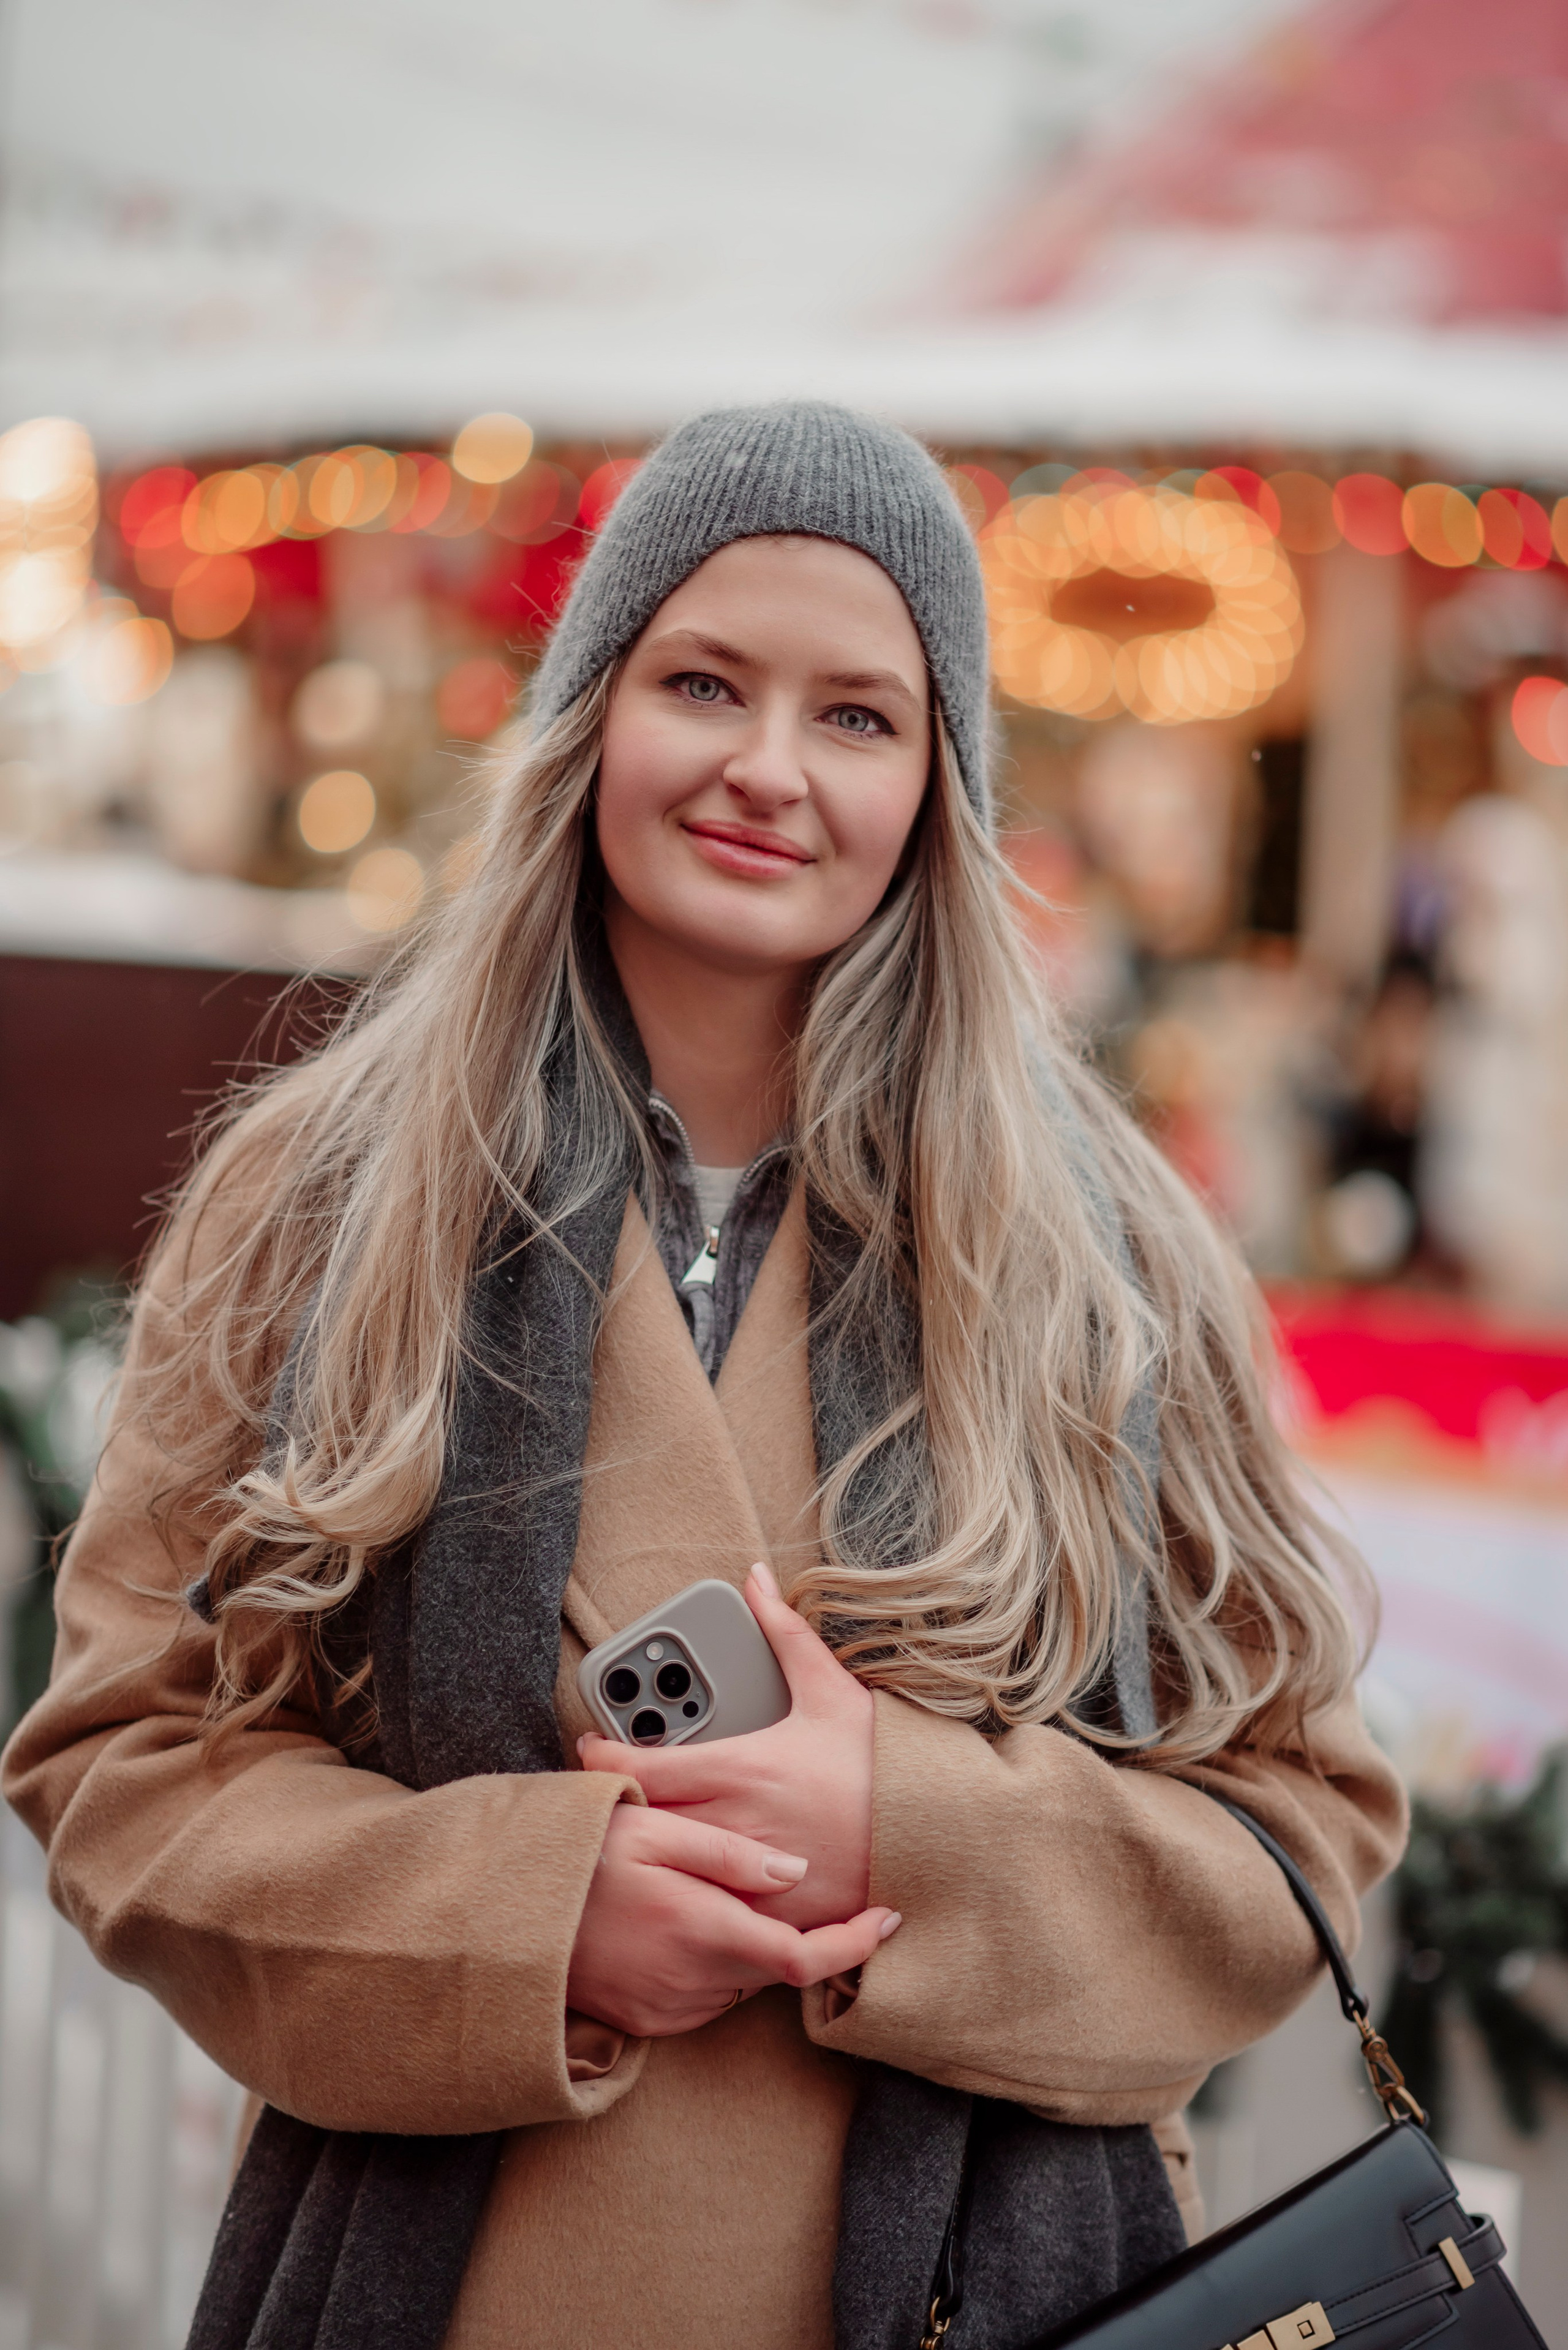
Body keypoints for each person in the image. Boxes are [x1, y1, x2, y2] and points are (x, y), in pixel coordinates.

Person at [4, 404, 1405, 2350]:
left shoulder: (1111, 1257)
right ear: (591, 713)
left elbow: (1300, 1833)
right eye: (705, 684)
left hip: (979, 2296)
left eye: (859, 716)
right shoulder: (322, 1196)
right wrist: (528, 1917)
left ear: (937, 786)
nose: (769, 768)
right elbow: (122, 1761)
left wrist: (900, 1830)